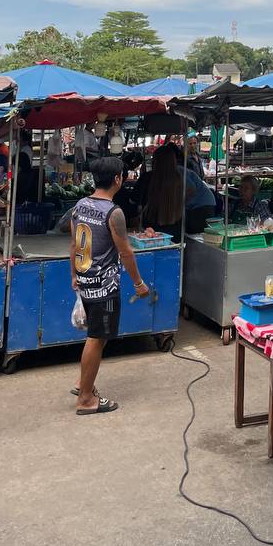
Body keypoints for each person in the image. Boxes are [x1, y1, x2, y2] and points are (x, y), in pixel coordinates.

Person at [70, 157, 150, 415]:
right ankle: (85, 398)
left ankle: (84, 383)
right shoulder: (113, 213)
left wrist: (74, 275)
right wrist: (138, 283)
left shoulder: (80, 205)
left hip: (85, 280)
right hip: (104, 286)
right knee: (97, 338)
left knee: (96, 336)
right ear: (117, 179)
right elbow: (126, 252)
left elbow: (73, 245)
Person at [143, 142, 216, 236]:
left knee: (192, 233)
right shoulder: (163, 175)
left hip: (202, 206)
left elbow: (191, 189)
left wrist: (179, 203)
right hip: (191, 207)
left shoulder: (179, 173)